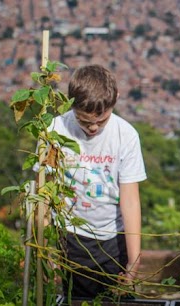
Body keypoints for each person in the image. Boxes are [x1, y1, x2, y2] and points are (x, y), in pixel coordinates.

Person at [47, 64, 146, 300]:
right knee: (79, 299)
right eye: (84, 121)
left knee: (119, 299)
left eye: (101, 121)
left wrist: (134, 259)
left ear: (116, 101)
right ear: (71, 104)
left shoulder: (126, 135)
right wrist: (47, 248)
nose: (92, 128)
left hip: (115, 240)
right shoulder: (55, 130)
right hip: (70, 237)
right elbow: (45, 192)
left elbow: (130, 200)